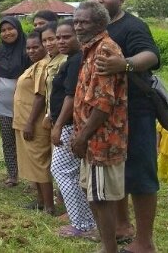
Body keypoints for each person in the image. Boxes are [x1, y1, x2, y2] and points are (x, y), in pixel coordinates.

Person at [89, 0, 160, 252]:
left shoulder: (132, 26)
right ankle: (121, 226)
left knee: (140, 176)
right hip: (105, 113)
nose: (99, 0)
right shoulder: (95, 30)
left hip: (135, 111)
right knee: (114, 171)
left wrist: (125, 64)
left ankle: (144, 242)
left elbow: (150, 55)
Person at [72, 1, 128, 253]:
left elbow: (104, 103)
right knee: (93, 192)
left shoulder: (105, 50)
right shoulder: (89, 49)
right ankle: (107, 245)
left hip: (100, 139)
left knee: (101, 198)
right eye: (76, 21)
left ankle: (110, 248)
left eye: (84, 22)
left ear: (99, 24)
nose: (78, 26)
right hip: (90, 137)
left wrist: (83, 137)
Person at [49, 20, 96, 238]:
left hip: (69, 125)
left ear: (79, 37)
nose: (61, 41)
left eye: (66, 37)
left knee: (61, 171)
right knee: (73, 174)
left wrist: (58, 125)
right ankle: (85, 219)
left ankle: (82, 223)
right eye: (58, 37)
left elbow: (71, 96)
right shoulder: (72, 59)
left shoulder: (77, 60)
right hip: (66, 123)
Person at [13, 31, 54, 213]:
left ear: (44, 46)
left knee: (40, 164)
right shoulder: (35, 65)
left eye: (35, 47)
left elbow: (39, 97)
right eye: (28, 48)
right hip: (23, 121)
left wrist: (30, 123)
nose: (31, 51)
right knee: (32, 164)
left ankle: (49, 206)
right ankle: (39, 201)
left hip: (34, 123)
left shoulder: (43, 66)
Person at [0, 16, 30, 187]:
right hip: (3, 105)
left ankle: (33, 179)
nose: (7, 33)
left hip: (26, 106)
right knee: (8, 141)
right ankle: (12, 175)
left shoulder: (29, 50)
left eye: (10, 29)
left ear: (18, 29)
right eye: (3, 30)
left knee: (28, 142)